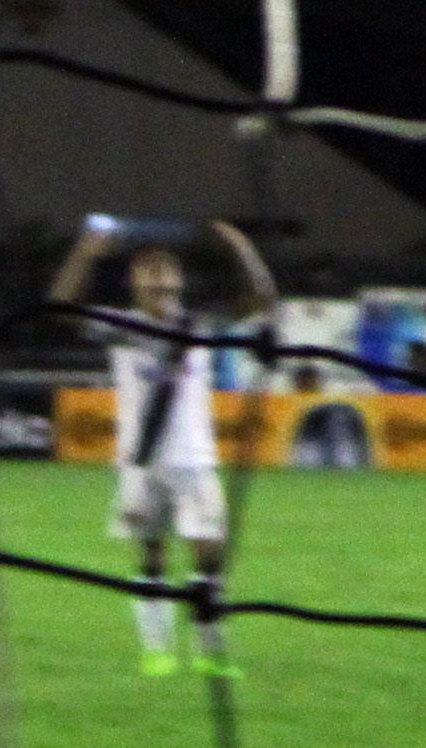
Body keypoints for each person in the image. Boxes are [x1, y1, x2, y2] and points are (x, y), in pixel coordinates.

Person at [47, 218, 275, 678]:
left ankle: (211, 651)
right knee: (152, 558)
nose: (157, 274)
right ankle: (157, 650)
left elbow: (262, 304)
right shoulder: (120, 327)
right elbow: (59, 308)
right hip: (142, 462)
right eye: (146, 268)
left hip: (195, 460)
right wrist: (84, 255)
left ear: (179, 280)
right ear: (132, 282)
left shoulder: (199, 327)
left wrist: (243, 250)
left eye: (164, 267)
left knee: (209, 556)